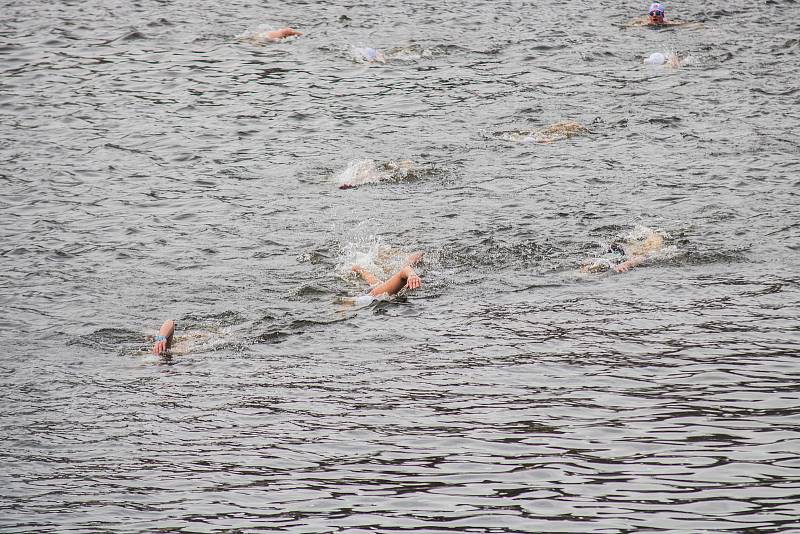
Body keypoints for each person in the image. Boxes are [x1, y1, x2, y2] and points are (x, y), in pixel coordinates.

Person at [347, 251, 423, 304]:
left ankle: (359, 268)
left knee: (376, 287)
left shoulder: (376, 294)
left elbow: (404, 271)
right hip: (377, 295)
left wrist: (412, 275)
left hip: (375, 295)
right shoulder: (375, 294)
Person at [580, 231, 666, 274]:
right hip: (617, 253)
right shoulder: (597, 266)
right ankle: (654, 236)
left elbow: (639, 258)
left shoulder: (599, 264)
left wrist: (627, 264)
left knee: (645, 251)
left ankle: (655, 236)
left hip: (618, 252)